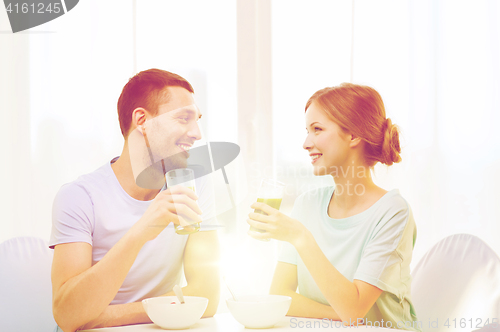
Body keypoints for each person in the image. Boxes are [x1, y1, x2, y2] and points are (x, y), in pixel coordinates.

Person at [49, 69, 220, 332]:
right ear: (142, 120)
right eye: (184, 119)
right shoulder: (79, 197)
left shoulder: (196, 185)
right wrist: (140, 232)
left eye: (197, 120)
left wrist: (102, 316)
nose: (197, 133)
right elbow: (68, 315)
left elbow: (205, 296)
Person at [247, 83, 421, 331]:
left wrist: (300, 237)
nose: (306, 143)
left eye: (317, 129)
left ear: (353, 135)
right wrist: (336, 315)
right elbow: (280, 295)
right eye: (307, 131)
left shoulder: (392, 212)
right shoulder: (307, 204)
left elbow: (354, 308)